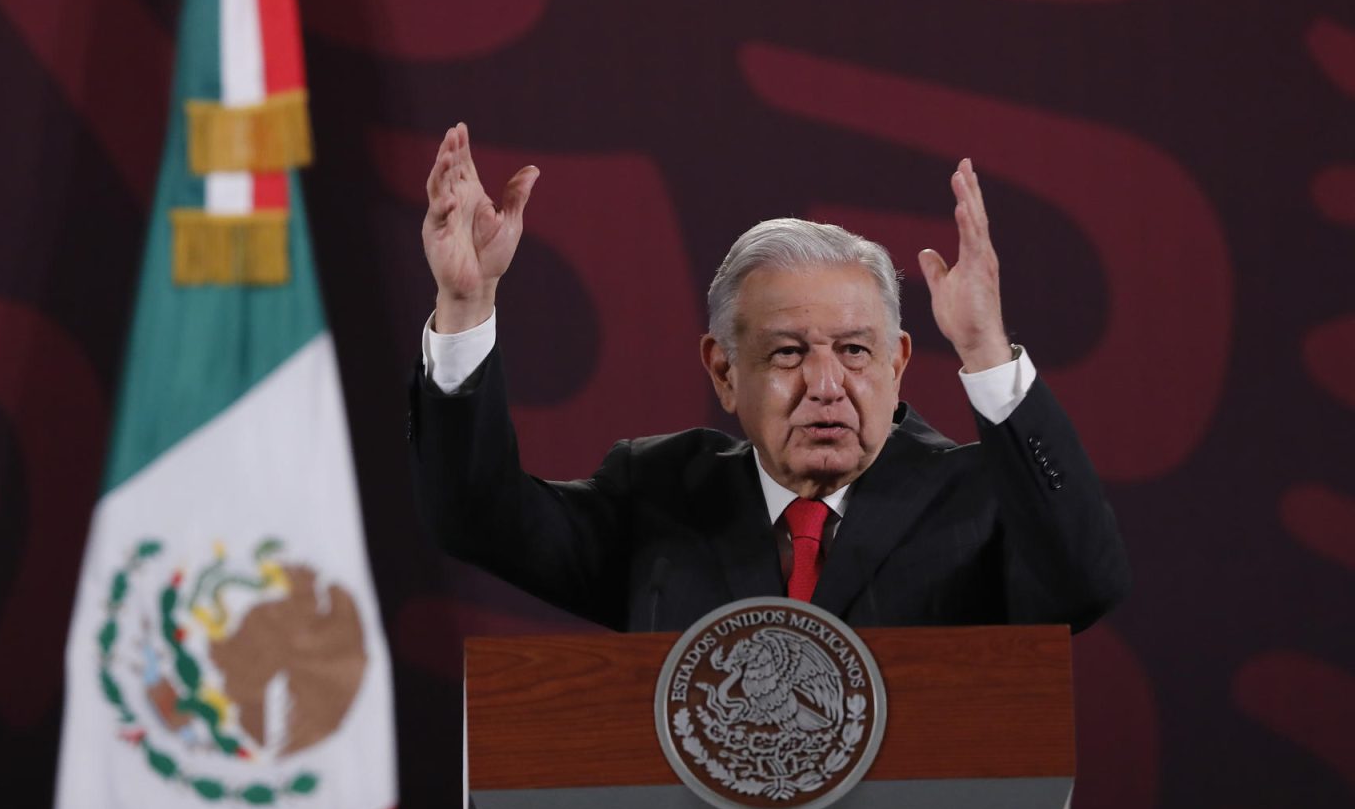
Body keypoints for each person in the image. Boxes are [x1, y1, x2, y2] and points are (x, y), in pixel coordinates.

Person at [409, 123, 1129, 633]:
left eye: (853, 351)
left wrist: (986, 349)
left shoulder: (983, 498)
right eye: (788, 353)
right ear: (724, 371)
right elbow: (480, 520)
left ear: (899, 361)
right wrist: (466, 306)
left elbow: (1084, 585)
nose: (825, 384)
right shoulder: (659, 495)